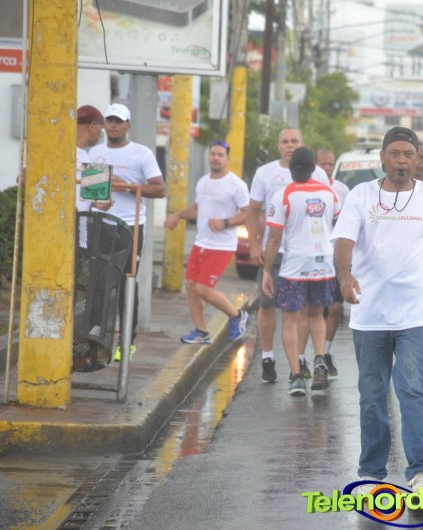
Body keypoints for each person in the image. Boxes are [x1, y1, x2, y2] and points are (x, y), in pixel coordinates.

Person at [332, 126, 423, 500]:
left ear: (418, 159)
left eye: (409, 154)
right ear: (383, 158)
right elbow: (344, 242)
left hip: (415, 315)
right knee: (372, 396)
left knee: (412, 390)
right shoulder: (361, 195)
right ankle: (371, 474)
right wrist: (345, 276)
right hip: (369, 314)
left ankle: (419, 473)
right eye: (395, 154)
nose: (402, 161)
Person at [247, 128, 330, 384]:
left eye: (294, 141)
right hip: (275, 251)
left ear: (302, 143)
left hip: (305, 254)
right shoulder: (265, 173)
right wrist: (253, 243)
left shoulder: (319, 174)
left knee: (303, 310)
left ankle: (300, 361)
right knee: (267, 304)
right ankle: (268, 357)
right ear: (278, 145)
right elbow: (253, 210)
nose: (289, 145)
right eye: (285, 141)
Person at [88, 103, 167, 361]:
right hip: (100, 223)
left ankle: (126, 342)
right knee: (98, 284)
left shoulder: (141, 153)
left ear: (127, 125)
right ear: (104, 124)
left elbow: (160, 189)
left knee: (125, 283)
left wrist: (129, 187)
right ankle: (94, 341)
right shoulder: (95, 153)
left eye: (118, 121)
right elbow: (90, 192)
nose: (113, 125)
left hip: (130, 226)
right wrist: (96, 201)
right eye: (109, 120)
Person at [262, 147, 340, 396]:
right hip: (324, 264)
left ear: (292, 170)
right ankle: (319, 358)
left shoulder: (283, 195)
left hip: (294, 267)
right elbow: (340, 228)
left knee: (291, 321)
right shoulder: (330, 194)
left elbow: (274, 238)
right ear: (314, 169)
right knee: (317, 315)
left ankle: (296, 377)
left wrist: (267, 270)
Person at [164, 140, 250, 345]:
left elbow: (247, 213)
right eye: (213, 154)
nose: (216, 158)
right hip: (201, 242)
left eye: (220, 155)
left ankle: (237, 315)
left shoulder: (236, 184)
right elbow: (197, 208)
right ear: (208, 156)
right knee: (191, 286)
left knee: (203, 289)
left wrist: (225, 222)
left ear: (228, 159)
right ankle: (201, 332)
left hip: (221, 245)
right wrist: (178, 215)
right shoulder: (203, 182)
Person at [317, 148, 349, 377]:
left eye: (331, 164)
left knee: (335, 307)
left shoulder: (342, 190)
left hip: (335, 256)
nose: (327, 169)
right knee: (314, 310)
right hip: (313, 257)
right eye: (323, 164)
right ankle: (306, 358)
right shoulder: (304, 188)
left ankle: (325, 353)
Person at [75, 105, 105, 213]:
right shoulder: (61, 153)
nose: (100, 136)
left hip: (81, 221)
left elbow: (95, 199)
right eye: (101, 130)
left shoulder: (87, 157)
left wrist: (99, 203)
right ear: (92, 126)